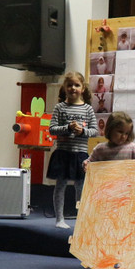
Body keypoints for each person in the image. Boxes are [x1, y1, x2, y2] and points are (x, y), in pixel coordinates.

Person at [47, 71, 98, 229]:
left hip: (80, 154)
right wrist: (68, 128)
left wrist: (82, 132)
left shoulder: (88, 109)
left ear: (83, 88)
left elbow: (95, 131)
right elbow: (52, 129)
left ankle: (80, 218)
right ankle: (59, 219)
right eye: (69, 85)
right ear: (64, 87)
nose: (73, 88)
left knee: (80, 187)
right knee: (60, 185)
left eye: (77, 85)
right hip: (63, 153)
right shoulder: (59, 108)